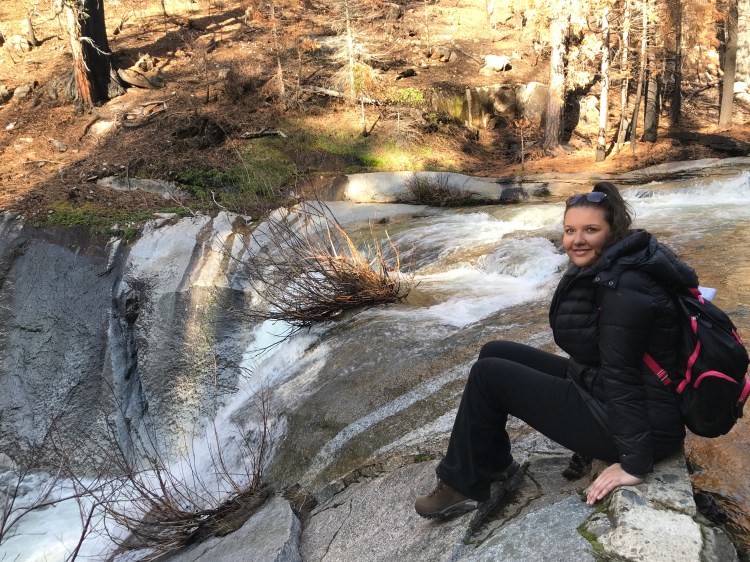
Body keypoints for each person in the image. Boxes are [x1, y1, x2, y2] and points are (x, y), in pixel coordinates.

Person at [415, 181, 696, 518]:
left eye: (591, 230)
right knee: (495, 352)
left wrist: (634, 464)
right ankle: (493, 463)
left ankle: (461, 484)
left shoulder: (624, 287)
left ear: (613, 231)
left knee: (488, 375)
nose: (577, 240)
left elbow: (622, 376)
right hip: (603, 390)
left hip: (636, 425)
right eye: (570, 230)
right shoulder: (616, 266)